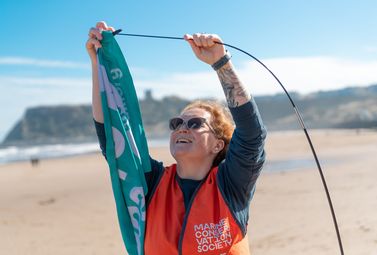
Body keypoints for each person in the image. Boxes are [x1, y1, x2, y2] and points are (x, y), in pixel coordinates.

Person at [87, 21, 266, 255]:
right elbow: (113, 139)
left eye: (195, 124)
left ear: (218, 144)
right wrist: (98, 63)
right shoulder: (152, 183)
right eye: (177, 123)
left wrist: (221, 63)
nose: (182, 128)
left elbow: (252, 133)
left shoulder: (231, 185)